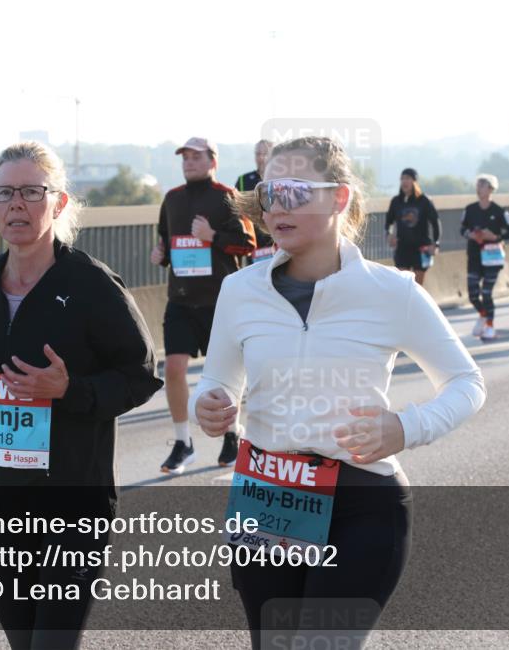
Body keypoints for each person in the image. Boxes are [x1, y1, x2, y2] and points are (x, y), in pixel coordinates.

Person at [188, 136, 486, 650]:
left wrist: (405, 427)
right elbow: (217, 381)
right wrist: (209, 405)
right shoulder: (240, 290)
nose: (277, 207)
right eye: (269, 194)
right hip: (266, 497)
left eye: (295, 192)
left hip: (361, 505)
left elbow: (467, 382)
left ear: (339, 197)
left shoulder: (392, 291)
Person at [0, 141, 163, 649]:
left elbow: (141, 375)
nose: (17, 203)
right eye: (5, 192)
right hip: (0, 500)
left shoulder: (92, 284)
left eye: (32, 191)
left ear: (59, 203)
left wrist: (70, 389)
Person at [151, 137, 257, 473]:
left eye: (196, 157)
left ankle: (232, 433)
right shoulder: (172, 199)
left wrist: (212, 236)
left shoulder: (227, 196)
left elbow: (248, 243)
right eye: (185, 157)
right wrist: (160, 255)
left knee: (226, 374)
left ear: (213, 161)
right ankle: (183, 442)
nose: (189, 162)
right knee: (173, 369)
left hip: (219, 302)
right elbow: (167, 244)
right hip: (181, 300)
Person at [460, 173, 509, 340]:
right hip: (474, 255)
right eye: (477, 185)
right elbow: (462, 229)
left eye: (482, 185)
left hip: (492, 257)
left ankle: (490, 326)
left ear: (491, 189)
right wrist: (471, 234)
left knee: (486, 293)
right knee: (473, 294)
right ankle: (483, 314)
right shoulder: (470, 209)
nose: (478, 189)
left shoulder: (499, 211)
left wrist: (495, 237)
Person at [385, 167, 441, 285]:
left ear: (414, 181)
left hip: (421, 249)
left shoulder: (424, 201)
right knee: (402, 284)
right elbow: (388, 222)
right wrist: (389, 235)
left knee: (417, 286)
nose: (404, 182)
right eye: (402, 179)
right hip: (402, 248)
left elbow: (435, 223)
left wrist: (436, 243)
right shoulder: (396, 201)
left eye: (407, 178)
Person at [235, 140, 277, 264]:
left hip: (277, 241)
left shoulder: (282, 179)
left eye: (265, 154)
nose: (261, 158)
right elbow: (235, 213)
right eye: (258, 154)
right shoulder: (243, 180)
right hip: (252, 243)